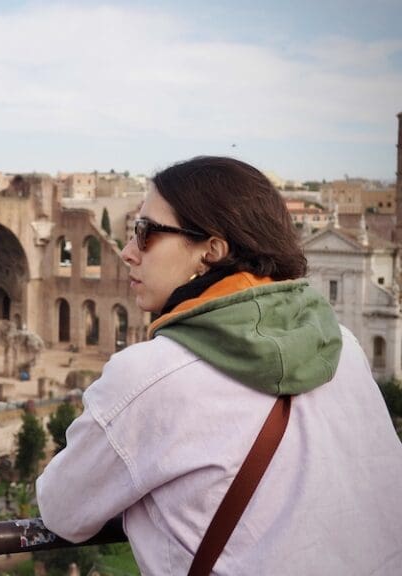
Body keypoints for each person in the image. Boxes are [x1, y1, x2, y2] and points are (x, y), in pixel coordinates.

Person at [36, 156, 402, 575]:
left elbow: (62, 509)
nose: (127, 252)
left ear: (211, 252)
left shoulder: (148, 377)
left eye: (145, 233)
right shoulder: (344, 347)